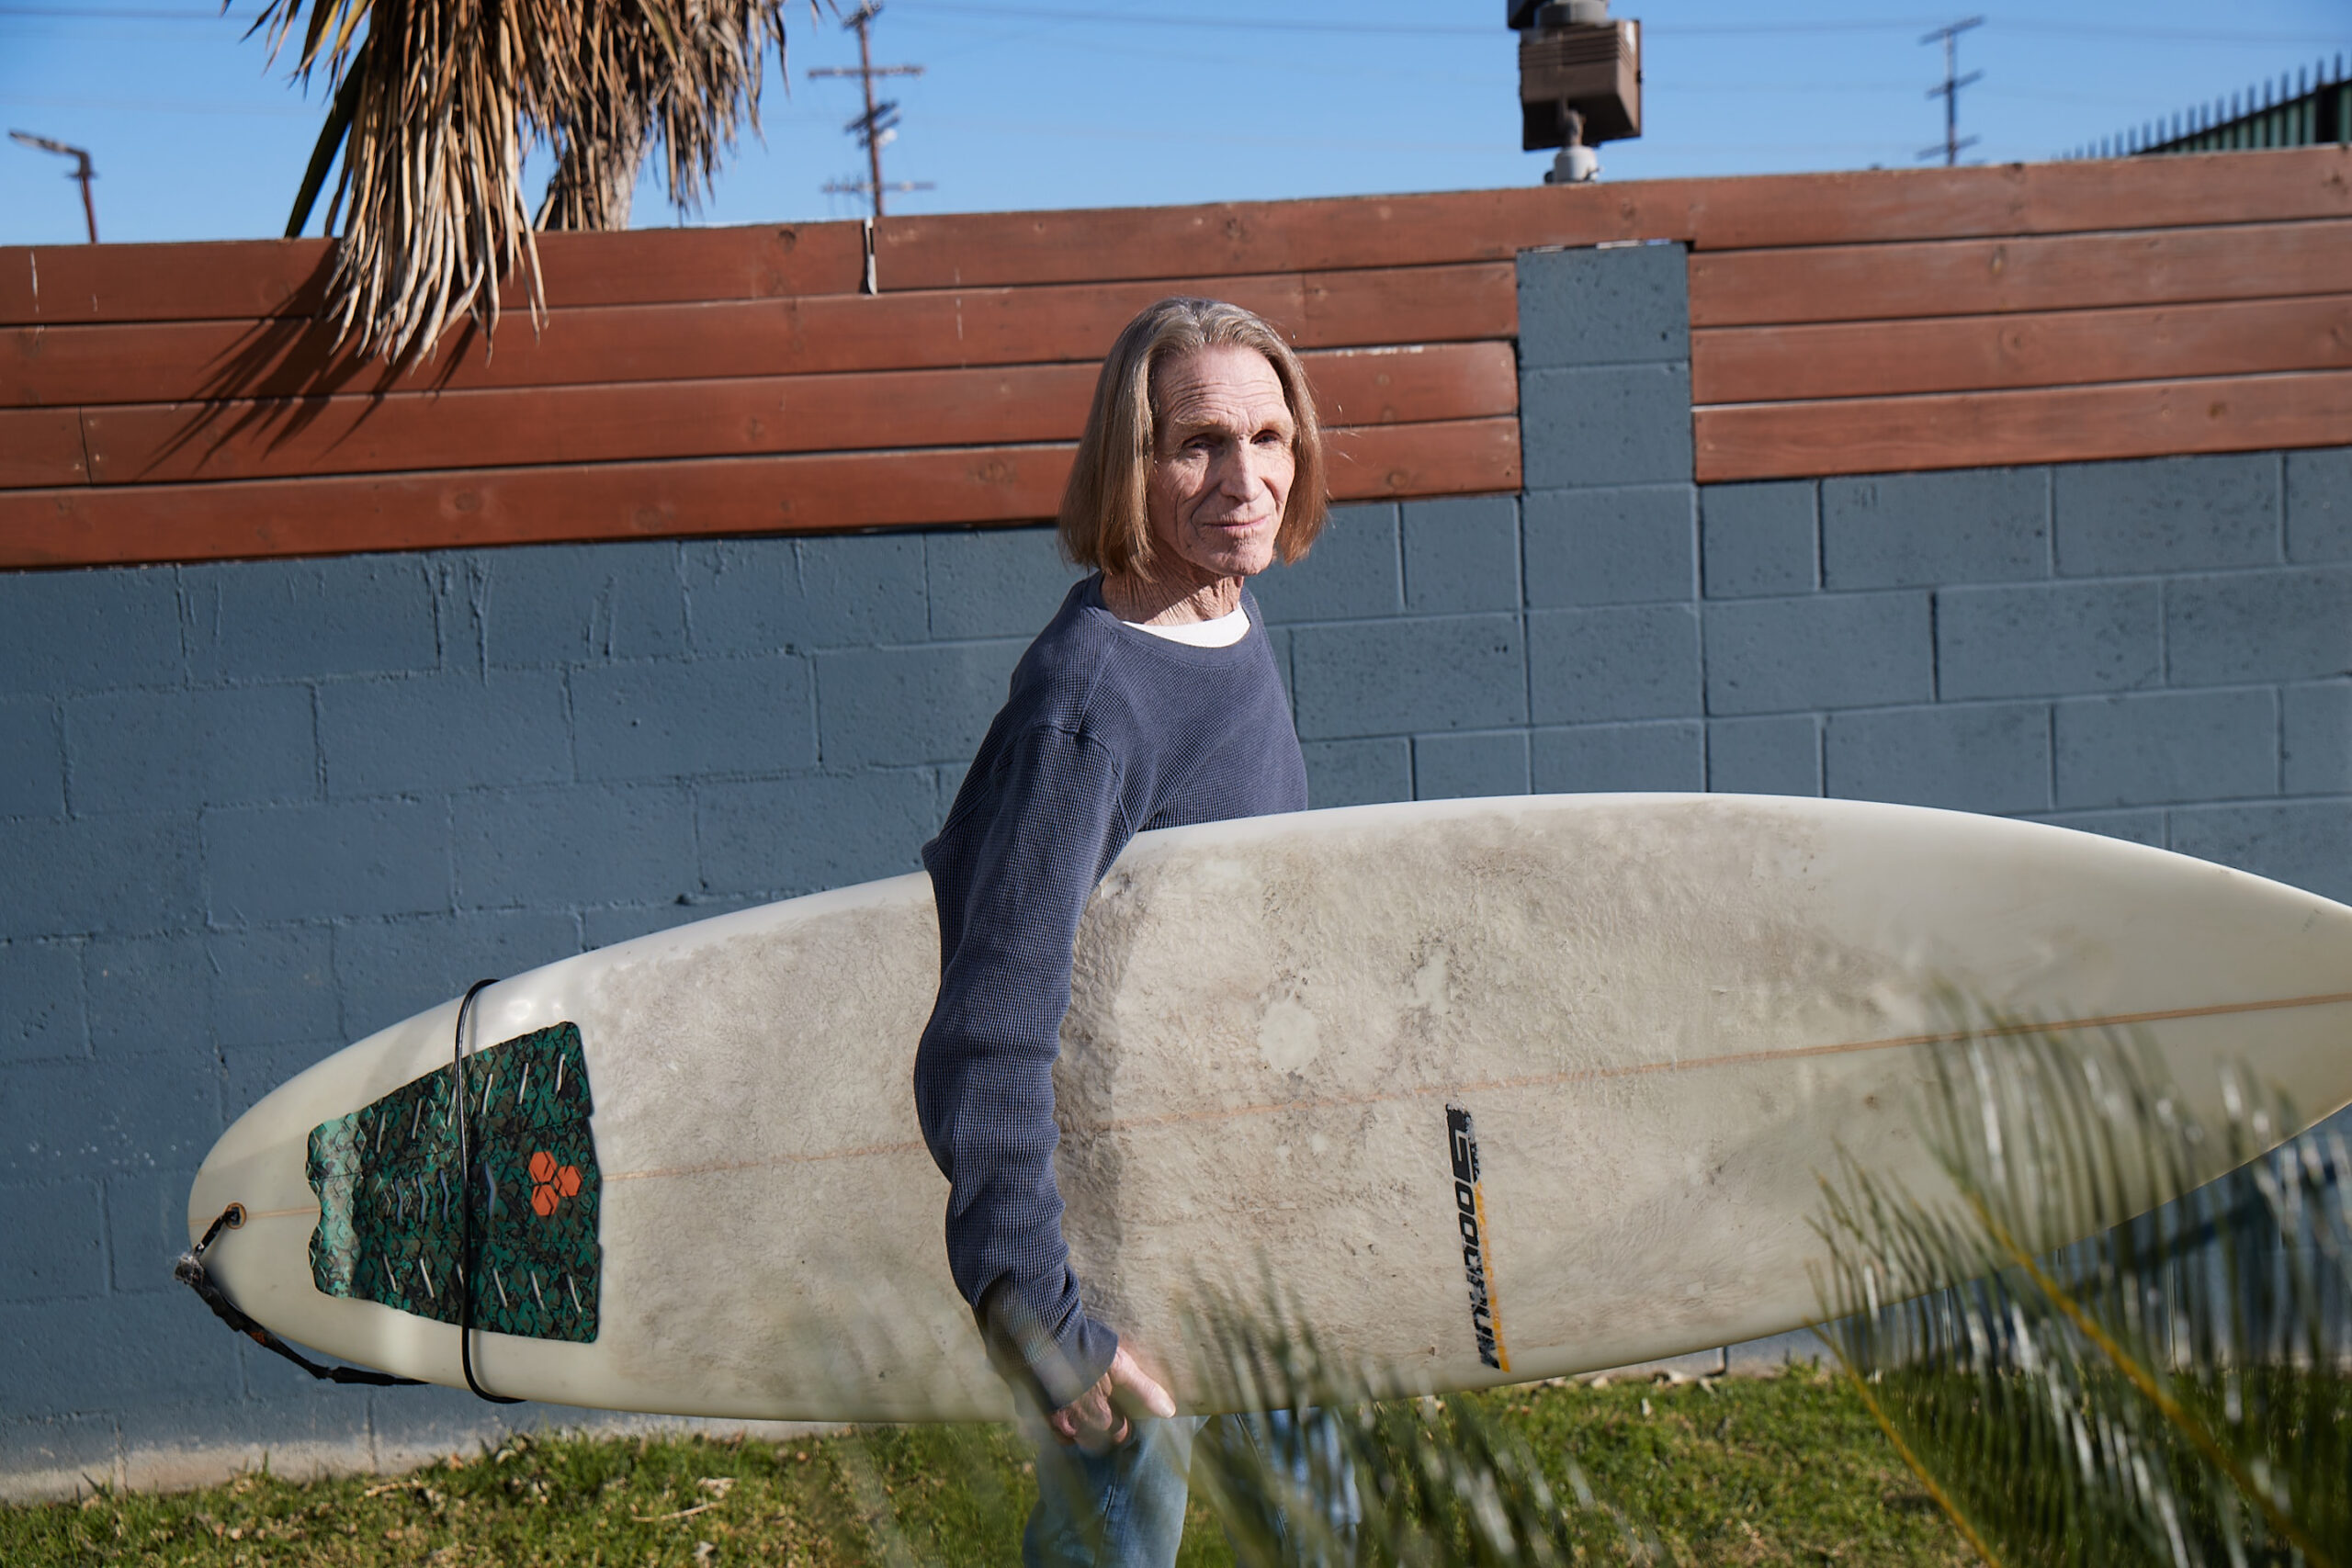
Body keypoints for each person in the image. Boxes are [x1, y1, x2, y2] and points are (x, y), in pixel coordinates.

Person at [912, 296, 1352, 1565]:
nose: (1248, 479)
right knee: (1121, 1536)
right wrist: (1042, 1318)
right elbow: (985, 1032)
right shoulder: (1090, 704)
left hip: (1253, 1212)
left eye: (1271, 438)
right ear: (1131, 459)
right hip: (1113, 1257)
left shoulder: (1223, 620)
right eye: (1200, 443)